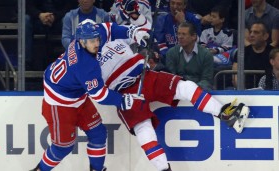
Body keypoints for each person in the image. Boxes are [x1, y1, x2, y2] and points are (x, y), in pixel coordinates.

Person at [98, 30, 250, 171]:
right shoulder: (87, 62)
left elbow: (139, 29)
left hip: (146, 76)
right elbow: (95, 91)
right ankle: (164, 169)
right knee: (144, 129)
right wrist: (120, 100)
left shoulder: (114, 38)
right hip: (123, 93)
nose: (94, 40)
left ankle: (227, 115)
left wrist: (142, 37)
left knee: (186, 88)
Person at [30, 19, 150, 171]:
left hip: (75, 94)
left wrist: (132, 33)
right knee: (63, 147)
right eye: (92, 41)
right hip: (59, 104)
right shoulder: (85, 65)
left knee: (98, 133)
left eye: (97, 39)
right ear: (81, 41)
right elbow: (100, 95)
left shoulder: (87, 36)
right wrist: (125, 101)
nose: (97, 43)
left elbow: (109, 29)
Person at [25, 0, 76, 70]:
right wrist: (39, 15)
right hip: (37, 19)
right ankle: (26, 62)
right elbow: (27, 5)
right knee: (25, 20)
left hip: (59, 18)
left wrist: (54, 16)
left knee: (67, 20)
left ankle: (71, 61)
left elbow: (70, 6)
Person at [165, 22, 214, 90]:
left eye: (184, 34)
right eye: (179, 34)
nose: (180, 37)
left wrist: (191, 89)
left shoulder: (206, 55)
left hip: (198, 92)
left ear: (193, 36)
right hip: (178, 91)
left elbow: (207, 80)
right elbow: (171, 78)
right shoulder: (171, 53)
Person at [232, 21, 273, 89]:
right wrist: (244, 92)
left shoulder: (273, 53)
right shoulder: (241, 52)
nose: (251, 35)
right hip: (245, 91)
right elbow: (235, 75)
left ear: (265, 36)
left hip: (268, 92)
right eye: (251, 32)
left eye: (256, 32)